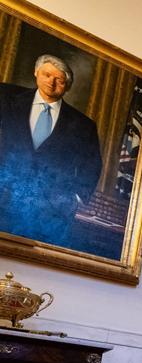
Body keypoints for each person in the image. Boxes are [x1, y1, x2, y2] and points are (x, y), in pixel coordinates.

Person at [0, 55, 102, 248]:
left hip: (51, 213)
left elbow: (92, 164)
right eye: (47, 75)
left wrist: (75, 197)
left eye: (59, 80)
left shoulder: (84, 125)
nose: (51, 82)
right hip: (3, 196)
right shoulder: (6, 96)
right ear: (36, 73)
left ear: (67, 86)